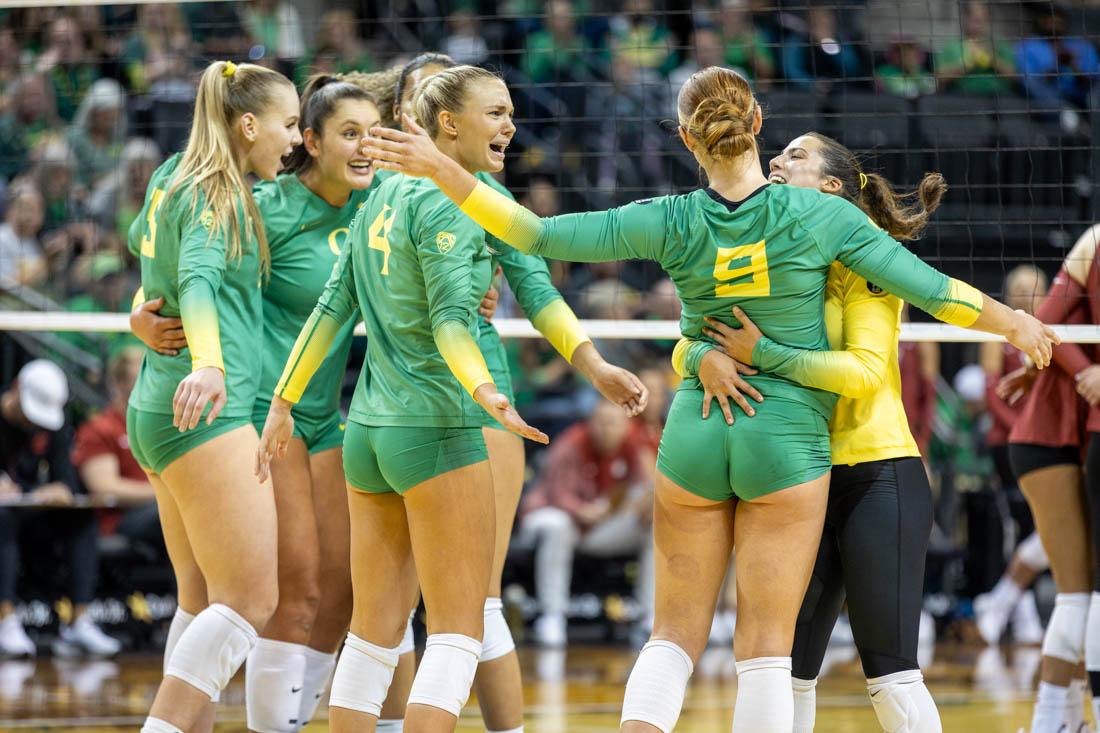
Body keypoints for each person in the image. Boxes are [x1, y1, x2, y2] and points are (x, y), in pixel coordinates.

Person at [363, 65, 1057, 733]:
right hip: (783, 438)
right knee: (765, 650)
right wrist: (1018, 321)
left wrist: (443, 169)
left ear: (685, 138)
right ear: (757, 122)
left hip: (696, 428)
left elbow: (535, 234)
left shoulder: (668, 217)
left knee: (669, 636)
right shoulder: (822, 216)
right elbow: (932, 288)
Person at [255, 66, 569, 733]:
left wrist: (282, 400)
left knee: (374, 633)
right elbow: (460, 321)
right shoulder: (455, 198)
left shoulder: (380, 197)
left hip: (367, 425)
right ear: (440, 120)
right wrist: (495, 382)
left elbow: (332, 306)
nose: (506, 125)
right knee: (464, 624)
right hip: (446, 414)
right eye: (494, 111)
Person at [388, 52, 649, 733]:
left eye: (507, 112)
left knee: (470, 603)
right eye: (495, 112)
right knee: (392, 604)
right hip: (404, 410)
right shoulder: (385, 197)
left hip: (460, 409)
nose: (508, 125)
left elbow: (538, 290)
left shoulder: (491, 201)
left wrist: (593, 367)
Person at [669, 131, 956, 731]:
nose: (775, 160)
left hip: (877, 474)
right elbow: (696, 341)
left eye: (794, 156)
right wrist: (699, 360)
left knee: (890, 673)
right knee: (784, 666)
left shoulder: (865, 257)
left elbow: (864, 373)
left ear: (831, 187)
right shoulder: (767, 251)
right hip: (800, 475)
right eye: (778, 153)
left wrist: (765, 352)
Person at [127, 60, 301, 733]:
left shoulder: (173, 172)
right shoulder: (215, 191)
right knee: (251, 597)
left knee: (201, 603)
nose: (293, 138)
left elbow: (149, 259)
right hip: (202, 410)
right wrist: (208, 363)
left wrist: (138, 311)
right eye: (287, 124)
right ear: (248, 124)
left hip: (160, 408)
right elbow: (195, 280)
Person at [1002, 223, 1099, 733]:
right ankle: (1048, 722)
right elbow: (1041, 324)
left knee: (1079, 591)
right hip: (1047, 442)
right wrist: (1082, 367)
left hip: (1056, 443)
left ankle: (1060, 719)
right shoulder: (1087, 265)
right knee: (1078, 593)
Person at [0, 359, 121, 658]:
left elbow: (64, 479)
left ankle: (79, 619)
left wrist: (59, 491)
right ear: (16, 389)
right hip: (5, 517)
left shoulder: (53, 422)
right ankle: (5, 619)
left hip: (26, 510)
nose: (34, 424)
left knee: (80, 519)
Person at [519, 400, 655, 647]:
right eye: (601, 422)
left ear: (625, 426)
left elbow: (645, 487)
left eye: (613, 423)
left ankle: (649, 617)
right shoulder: (571, 443)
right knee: (558, 525)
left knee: (655, 529)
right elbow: (556, 494)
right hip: (550, 515)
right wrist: (584, 511)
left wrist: (641, 505)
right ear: (591, 422)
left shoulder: (632, 446)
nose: (606, 428)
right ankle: (553, 616)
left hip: (595, 526)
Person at [72, 347, 161, 552]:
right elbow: (105, 487)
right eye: (142, 379)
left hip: (155, 509)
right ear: (119, 384)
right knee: (175, 512)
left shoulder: (158, 427)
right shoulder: (101, 429)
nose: (151, 385)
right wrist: (162, 493)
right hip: (121, 519)